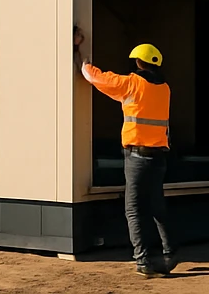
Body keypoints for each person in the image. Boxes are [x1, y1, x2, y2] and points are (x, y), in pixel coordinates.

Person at [74, 26, 176, 278]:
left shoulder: (131, 84)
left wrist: (79, 51)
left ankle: (142, 261)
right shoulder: (164, 88)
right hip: (159, 158)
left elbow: (94, 76)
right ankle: (169, 253)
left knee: (133, 209)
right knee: (156, 207)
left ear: (139, 63)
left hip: (137, 157)